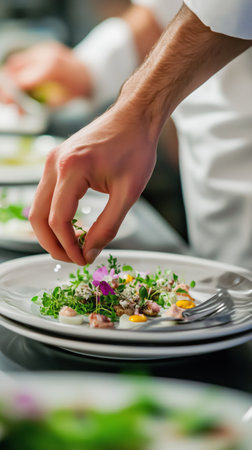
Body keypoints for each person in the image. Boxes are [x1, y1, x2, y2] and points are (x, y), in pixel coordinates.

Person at [2, 1, 252, 268]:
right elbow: (181, 7)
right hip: (211, 151)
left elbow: (230, 9)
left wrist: (140, 108)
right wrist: (90, 67)